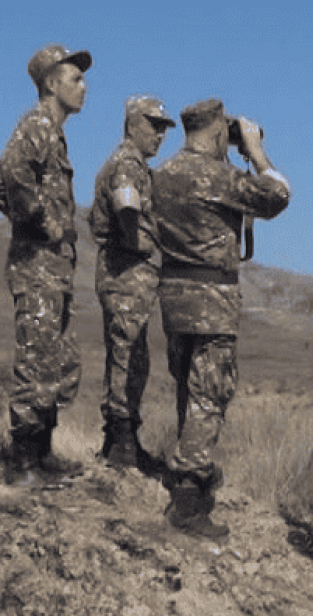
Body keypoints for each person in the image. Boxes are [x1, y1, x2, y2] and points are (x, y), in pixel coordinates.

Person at [152, 98, 290, 539]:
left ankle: (185, 476)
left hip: (173, 295)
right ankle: (188, 500)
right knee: (210, 393)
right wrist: (256, 152)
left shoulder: (163, 174)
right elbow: (277, 196)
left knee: (187, 391)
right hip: (213, 299)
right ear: (217, 133)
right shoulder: (218, 176)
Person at [2, 44, 92, 489]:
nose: (84, 87)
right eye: (75, 79)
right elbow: (11, 174)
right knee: (36, 360)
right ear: (52, 84)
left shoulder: (54, 133)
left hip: (54, 268)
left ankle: (42, 452)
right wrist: (40, 221)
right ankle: (21, 463)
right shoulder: (36, 124)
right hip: (36, 265)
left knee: (57, 360)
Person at [88, 95, 176, 470]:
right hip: (126, 275)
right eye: (153, 126)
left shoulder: (136, 165)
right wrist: (141, 243)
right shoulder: (127, 163)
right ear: (131, 124)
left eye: (163, 128)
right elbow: (126, 206)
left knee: (131, 354)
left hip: (129, 275)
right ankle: (121, 443)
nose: (160, 135)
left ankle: (120, 440)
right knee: (128, 357)